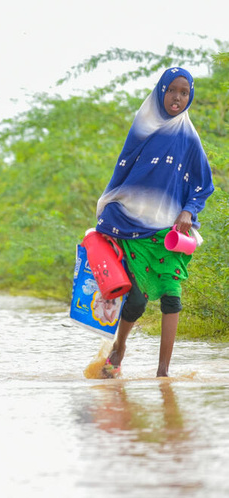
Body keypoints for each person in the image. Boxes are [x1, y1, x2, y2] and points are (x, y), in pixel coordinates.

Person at [96, 67, 214, 378]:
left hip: (171, 230)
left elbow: (203, 184)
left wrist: (189, 210)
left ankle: (163, 374)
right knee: (136, 299)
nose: (178, 97)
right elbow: (124, 172)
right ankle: (119, 348)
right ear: (161, 90)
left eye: (184, 92)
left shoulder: (188, 136)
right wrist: (110, 209)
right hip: (133, 224)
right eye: (172, 90)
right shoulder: (143, 125)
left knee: (172, 296)